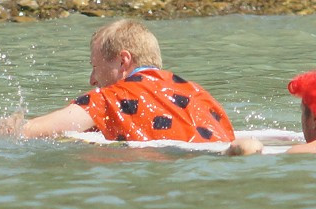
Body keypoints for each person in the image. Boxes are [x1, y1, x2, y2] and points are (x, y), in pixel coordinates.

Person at [19, 19, 235, 143]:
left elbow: (29, 131)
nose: (92, 80)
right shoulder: (199, 93)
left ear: (123, 61)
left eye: (95, 67)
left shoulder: (108, 98)